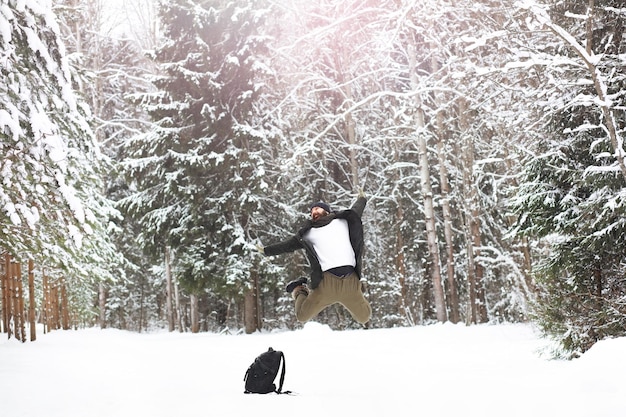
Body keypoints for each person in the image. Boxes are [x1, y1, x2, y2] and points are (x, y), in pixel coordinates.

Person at [257, 189, 372, 325]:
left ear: (327, 211)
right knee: (302, 316)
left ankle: (359, 291)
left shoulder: (343, 221)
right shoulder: (308, 234)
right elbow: (286, 246)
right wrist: (266, 251)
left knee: (365, 317)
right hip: (327, 284)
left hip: (350, 282)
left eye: (317, 209)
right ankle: (299, 289)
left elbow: (356, 210)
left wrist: (362, 199)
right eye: (312, 212)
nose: (314, 212)